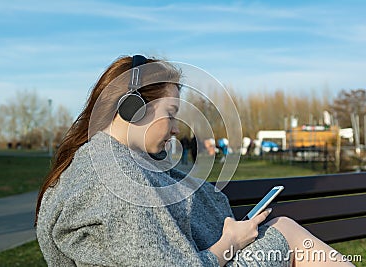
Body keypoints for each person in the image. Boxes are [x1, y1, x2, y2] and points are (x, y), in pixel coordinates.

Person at [35, 55, 353, 267]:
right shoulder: (117, 179)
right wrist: (229, 241)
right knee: (286, 231)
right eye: (171, 114)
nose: (176, 128)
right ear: (132, 109)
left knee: (283, 231)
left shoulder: (102, 161)